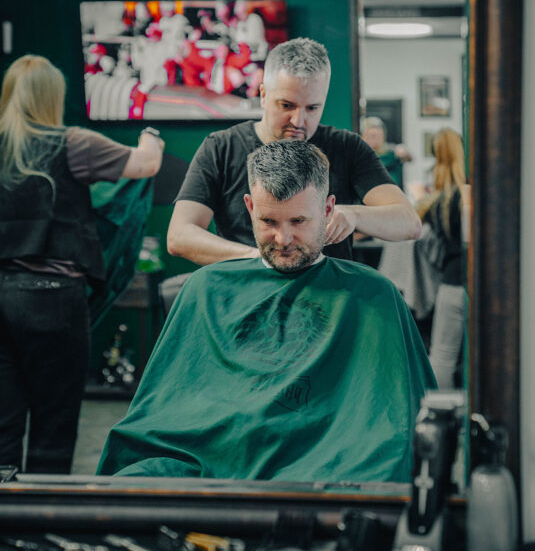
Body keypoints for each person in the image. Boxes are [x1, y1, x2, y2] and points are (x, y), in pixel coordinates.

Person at [97, 140, 437, 482]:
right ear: (249, 207)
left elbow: (399, 418)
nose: (283, 239)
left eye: (299, 221)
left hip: (333, 455)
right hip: (219, 452)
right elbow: (162, 413)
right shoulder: (206, 289)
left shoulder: (372, 294)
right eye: (269, 221)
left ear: (328, 209)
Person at [0, 55, 164, 474]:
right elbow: (145, 163)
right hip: (53, 301)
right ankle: (43, 511)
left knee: (2, 425)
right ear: (52, 97)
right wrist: (150, 136)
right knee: (53, 426)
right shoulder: (73, 143)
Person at [167, 37, 421, 267]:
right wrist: (262, 260)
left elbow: (409, 222)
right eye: (287, 105)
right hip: (246, 291)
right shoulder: (221, 148)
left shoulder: (347, 147)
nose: (299, 121)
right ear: (263, 95)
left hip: (327, 297)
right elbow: (179, 236)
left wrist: (354, 215)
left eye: (312, 108)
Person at [413, 128, 470, 388]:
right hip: (480, 283)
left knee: (443, 357)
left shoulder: (436, 202)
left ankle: (440, 411)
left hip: (452, 283)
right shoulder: (472, 195)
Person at [361, 116, 412, 191]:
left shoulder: (391, 152)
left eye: (378, 136)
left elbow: (409, 158)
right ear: (363, 136)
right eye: (372, 136)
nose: (375, 140)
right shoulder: (359, 156)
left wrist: (403, 150)